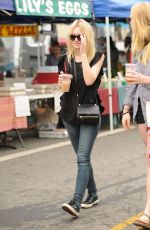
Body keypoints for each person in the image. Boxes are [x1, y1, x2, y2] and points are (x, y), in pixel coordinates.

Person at [57, 19, 105, 217]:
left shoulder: (97, 56)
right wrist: (61, 83)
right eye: (73, 36)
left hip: (89, 114)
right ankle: (92, 194)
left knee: (82, 158)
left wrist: (84, 54)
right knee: (82, 158)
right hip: (69, 114)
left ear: (87, 36)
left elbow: (89, 80)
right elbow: (65, 89)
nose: (76, 40)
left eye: (80, 36)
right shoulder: (64, 59)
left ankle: (76, 202)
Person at [122, 2, 150, 229]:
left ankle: (148, 213)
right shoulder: (137, 48)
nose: (129, 21)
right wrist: (126, 108)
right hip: (143, 108)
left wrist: (145, 80)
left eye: (131, 17)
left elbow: (140, 80)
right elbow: (131, 81)